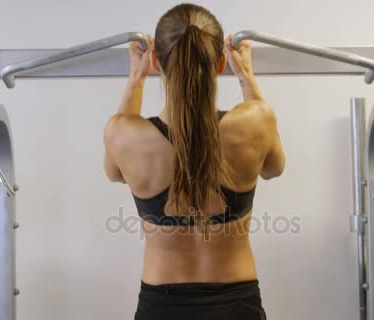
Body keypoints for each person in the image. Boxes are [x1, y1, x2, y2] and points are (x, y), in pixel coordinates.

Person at [103, 3, 285, 320]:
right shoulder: (257, 120)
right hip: (237, 306)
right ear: (220, 64)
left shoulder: (122, 134)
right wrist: (246, 75)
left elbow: (116, 172)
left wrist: (136, 78)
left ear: (157, 61)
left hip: (161, 308)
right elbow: (273, 167)